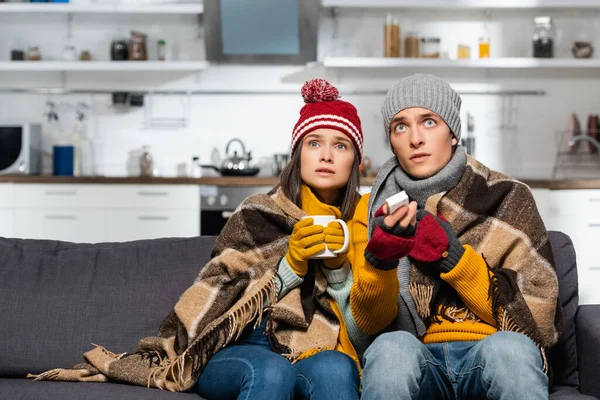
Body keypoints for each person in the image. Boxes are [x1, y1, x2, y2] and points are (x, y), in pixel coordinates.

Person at [29, 78, 363, 400]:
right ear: (297, 153)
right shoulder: (257, 212)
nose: (326, 155)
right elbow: (217, 294)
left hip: (306, 348)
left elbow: (361, 331)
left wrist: (335, 269)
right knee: (271, 370)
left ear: (354, 161)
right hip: (231, 349)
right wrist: (290, 265)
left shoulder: (359, 225)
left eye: (340, 145)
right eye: (314, 142)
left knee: (338, 367)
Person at [333, 73, 563, 399]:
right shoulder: (372, 209)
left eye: (429, 122)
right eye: (400, 126)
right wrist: (380, 261)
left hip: (489, 349)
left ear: (452, 134)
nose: (415, 138)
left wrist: (452, 255)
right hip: (417, 356)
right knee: (390, 348)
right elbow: (370, 324)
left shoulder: (509, 196)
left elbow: (539, 315)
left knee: (510, 349)